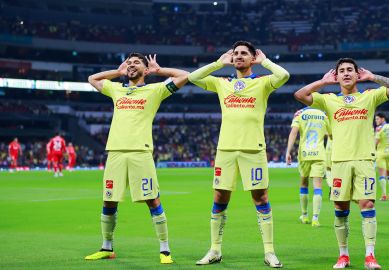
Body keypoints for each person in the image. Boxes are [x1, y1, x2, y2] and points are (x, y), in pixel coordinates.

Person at [188, 41, 289, 268]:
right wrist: (217, 63)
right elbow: (193, 78)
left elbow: (284, 75)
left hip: (253, 148)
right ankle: (214, 249)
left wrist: (266, 62)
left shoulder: (262, 82)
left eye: (244, 53)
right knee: (219, 198)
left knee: (260, 198)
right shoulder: (223, 83)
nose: (238, 56)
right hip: (225, 149)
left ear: (253, 58)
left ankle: (270, 252)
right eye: (235, 54)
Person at [294, 58, 389, 269]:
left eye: (350, 70)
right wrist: (323, 82)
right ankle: (343, 255)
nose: (345, 73)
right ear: (337, 76)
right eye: (341, 70)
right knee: (340, 208)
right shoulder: (329, 99)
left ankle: (370, 256)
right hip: (339, 161)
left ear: (356, 74)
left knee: (367, 204)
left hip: (364, 160)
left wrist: (373, 77)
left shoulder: (369, 96)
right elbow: (299, 95)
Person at [84, 53, 188, 264]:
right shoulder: (117, 89)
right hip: (115, 152)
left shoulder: (155, 90)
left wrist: (160, 71)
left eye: (136, 63)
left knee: (152, 199)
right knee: (109, 200)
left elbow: (185, 75)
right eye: (129, 63)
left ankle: (165, 249)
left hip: (141, 152)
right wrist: (118, 72)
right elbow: (92, 79)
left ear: (145, 69)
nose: (131, 65)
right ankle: (106, 247)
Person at [286, 107, 330, 227]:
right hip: (320, 154)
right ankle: (315, 218)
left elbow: (293, 132)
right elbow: (330, 134)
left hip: (305, 154)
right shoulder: (324, 114)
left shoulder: (299, 113)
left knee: (304, 183)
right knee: (318, 187)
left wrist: (288, 151)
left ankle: (304, 215)